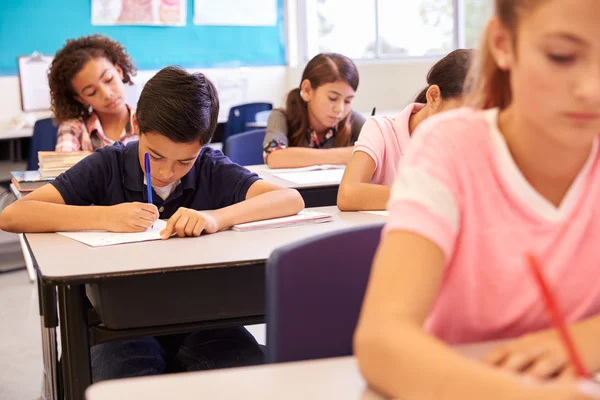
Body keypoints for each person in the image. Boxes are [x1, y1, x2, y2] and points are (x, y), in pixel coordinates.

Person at [354, 0, 600, 398]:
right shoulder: (451, 148)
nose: (591, 89)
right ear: (503, 43)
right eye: (562, 56)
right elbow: (382, 342)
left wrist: (587, 337)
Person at [0, 66, 304, 382]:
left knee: (248, 374)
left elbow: (290, 199)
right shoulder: (109, 164)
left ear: (204, 145)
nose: (166, 171)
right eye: (155, 156)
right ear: (136, 126)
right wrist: (105, 217)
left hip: (203, 317)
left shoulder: (210, 166)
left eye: (184, 161)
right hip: (121, 322)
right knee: (117, 379)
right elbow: (13, 215)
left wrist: (216, 218)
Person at [338, 49, 473, 211]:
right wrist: (430, 195)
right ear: (434, 96)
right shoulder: (381, 130)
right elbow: (348, 194)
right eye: (461, 115)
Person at [263, 53, 366, 168]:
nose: (340, 109)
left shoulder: (353, 121)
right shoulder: (281, 116)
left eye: (347, 101)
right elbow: (274, 157)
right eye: (332, 98)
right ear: (307, 90)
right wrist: (345, 155)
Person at [48, 34, 137, 152]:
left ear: (119, 71)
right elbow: (66, 168)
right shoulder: (74, 129)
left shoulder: (149, 123)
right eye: (92, 92)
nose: (106, 94)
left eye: (109, 79)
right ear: (81, 98)